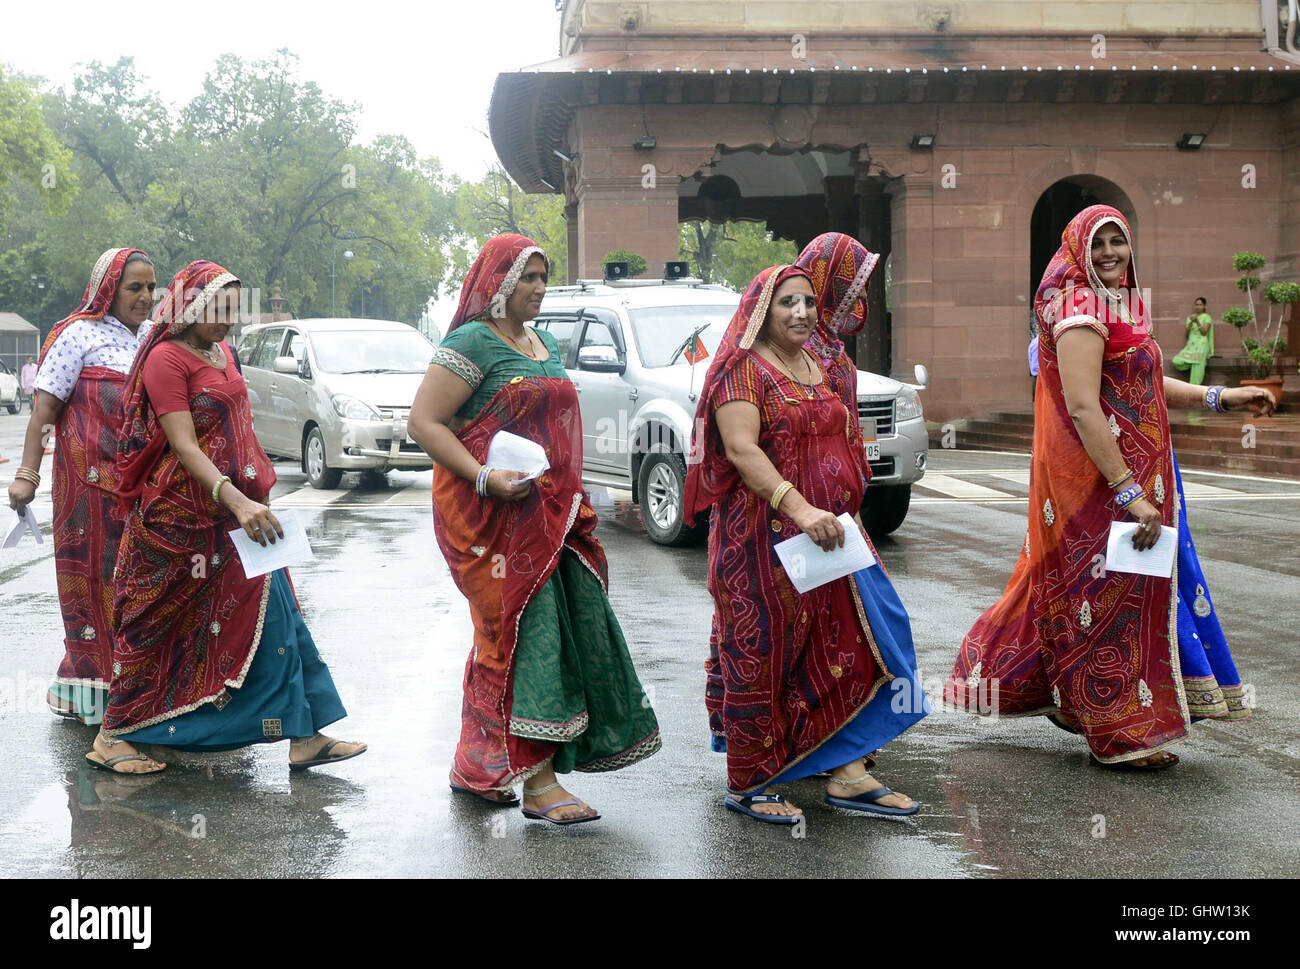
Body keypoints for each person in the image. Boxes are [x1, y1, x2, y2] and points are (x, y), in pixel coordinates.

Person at [945, 206, 1274, 768]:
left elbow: (1143, 377)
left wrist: (1222, 398)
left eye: (1118, 241)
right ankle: (1116, 732)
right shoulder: (1079, 310)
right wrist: (1127, 491)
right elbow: (1081, 406)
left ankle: (1074, 702)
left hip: (1145, 474)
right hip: (1100, 485)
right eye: (1098, 244)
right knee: (1106, 602)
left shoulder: (1121, 301)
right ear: (1078, 250)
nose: (1110, 253)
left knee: (1121, 598)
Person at [408, 234, 660, 825]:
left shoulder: (543, 343)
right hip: (493, 519)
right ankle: (539, 782)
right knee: (525, 638)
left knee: (516, 638)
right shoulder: (471, 342)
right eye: (528, 278)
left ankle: (480, 766)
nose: (539, 289)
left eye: (545, 278)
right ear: (497, 282)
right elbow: (425, 422)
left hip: (549, 513)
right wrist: (484, 477)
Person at [92, 259, 366, 775]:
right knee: (157, 631)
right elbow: (183, 444)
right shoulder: (166, 360)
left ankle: (305, 733)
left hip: (240, 516)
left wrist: (254, 492)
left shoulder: (224, 354)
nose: (228, 320)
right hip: (183, 520)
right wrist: (233, 497)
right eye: (218, 309)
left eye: (233, 310)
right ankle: (113, 734)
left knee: (280, 614)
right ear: (191, 305)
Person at [684, 263, 927, 824]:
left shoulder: (817, 363)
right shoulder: (741, 373)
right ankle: (751, 782)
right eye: (786, 303)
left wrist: (848, 509)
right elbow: (743, 450)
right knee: (764, 654)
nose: (800, 313)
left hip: (831, 539)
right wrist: (799, 506)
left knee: (847, 645)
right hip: (762, 541)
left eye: (808, 303)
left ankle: (848, 774)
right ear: (762, 311)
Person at [6, 248, 156, 726]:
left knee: (141, 583)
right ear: (108, 290)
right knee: (94, 586)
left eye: (151, 287)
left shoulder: (155, 337)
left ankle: (131, 689)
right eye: (134, 287)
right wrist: (26, 475)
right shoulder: (78, 336)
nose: (145, 297)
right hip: (88, 488)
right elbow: (43, 414)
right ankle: (97, 699)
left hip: (146, 486)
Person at [1171, 296, 1214, 385]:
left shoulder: (1207, 317)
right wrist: (1191, 322)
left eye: (1200, 305)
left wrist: (1197, 322)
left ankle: (1194, 391)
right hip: (1191, 346)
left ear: (1204, 306)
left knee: (1197, 368)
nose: (1198, 307)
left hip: (1202, 345)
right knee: (1177, 361)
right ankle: (1191, 363)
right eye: (1196, 304)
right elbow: (1187, 334)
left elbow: (1204, 332)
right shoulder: (1190, 318)